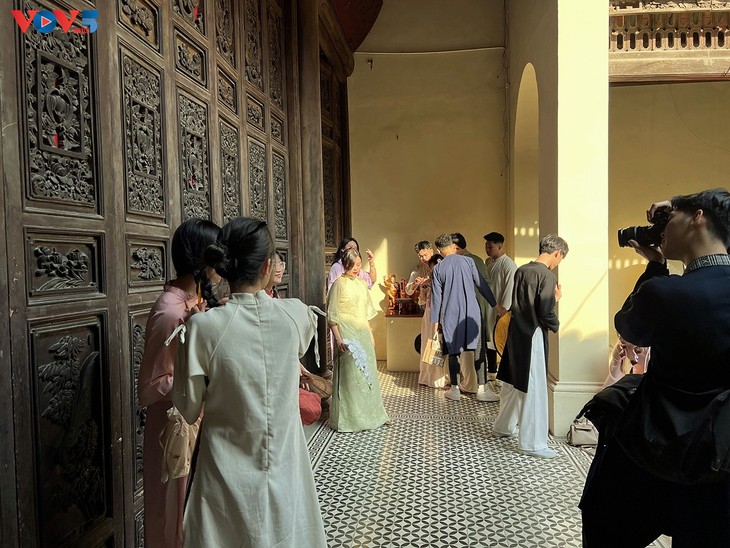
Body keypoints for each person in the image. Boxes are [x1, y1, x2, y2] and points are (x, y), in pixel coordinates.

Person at [581, 189, 730, 547]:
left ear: (698, 218)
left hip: (652, 447)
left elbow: (631, 327)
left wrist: (655, 265)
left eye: (670, 218)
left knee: (606, 530)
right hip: (720, 456)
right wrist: (677, 207)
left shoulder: (666, 292)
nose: (662, 229)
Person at [172, 217, 327, 547]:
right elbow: (301, 338)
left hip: (224, 476)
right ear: (268, 267)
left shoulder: (203, 328)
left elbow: (187, 408)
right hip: (286, 466)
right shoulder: (295, 315)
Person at [137, 218, 220, 548]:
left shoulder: (195, 303)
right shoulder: (170, 312)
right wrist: (199, 382)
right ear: (202, 258)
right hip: (172, 431)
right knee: (171, 517)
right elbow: (149, 387)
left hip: (197, 423)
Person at [492, 234, 569, 459]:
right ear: (557, 253)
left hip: (516, 331)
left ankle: (503, 426)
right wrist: (555, 318)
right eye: (560, 258)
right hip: (532, 334)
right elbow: (544, 310)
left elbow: (522, 303)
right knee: (533, 386)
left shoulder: (522, 270)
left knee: (513, 381)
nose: (558, 263)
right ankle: (532, 443)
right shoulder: (547, 275)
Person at [327, 248, 390, 432]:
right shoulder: (338, 284)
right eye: (353, 265)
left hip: (362, 332)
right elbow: (332, 314)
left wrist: (370, 334)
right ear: (345, 264)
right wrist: (338, 338)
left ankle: (372, 416)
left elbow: (365, 313)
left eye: (358, 265)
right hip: (346, 333)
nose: (356, 268)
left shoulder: (362, 284)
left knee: (367, 375)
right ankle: (351, 419)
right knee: (351, 376)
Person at [430, 233, 496, 402]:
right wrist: (495, 304)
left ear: (438, 249)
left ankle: (455, 389)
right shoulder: (468, 262)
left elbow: (436, 298)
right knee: (478, 350)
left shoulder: (438, 269)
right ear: (453, 246)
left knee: (454, 352)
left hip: (450, 315)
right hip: (472, 313)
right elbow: (482, 285)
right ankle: (482, 389)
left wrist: (435, 321)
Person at [453, 233, 500, 402]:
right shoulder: (479, 260)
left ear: (455, 248)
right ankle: (478, 386)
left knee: (472, 350)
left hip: (472, 310)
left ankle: (474, 385)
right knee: (474, 349)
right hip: (475, 310)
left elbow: (482, 286)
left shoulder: (469, 261)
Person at [483, 232, 518, 380]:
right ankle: (491, 371)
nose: (487, 249)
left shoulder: (508, 265)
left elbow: (510, 289)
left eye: (490, 246)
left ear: (500, 246)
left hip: (500, 309)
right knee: (488, 339)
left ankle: (505, 375)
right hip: (488, 307)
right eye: (486, 246)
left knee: (500, 340)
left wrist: (503, 311)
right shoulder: (488, 262)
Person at [418, 253, 449, 388]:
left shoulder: (446, 282)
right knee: (428, 344)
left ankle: (440, 378)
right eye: (431, 269)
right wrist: (423, 288)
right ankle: (428, 376)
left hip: (440, 317)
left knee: (439, 345)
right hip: (429, 316)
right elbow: (422, 301)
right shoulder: (428, 282)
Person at [405, 241, 434, 309]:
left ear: (431, 251)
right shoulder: (419, 270)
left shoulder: (441, 264)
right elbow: (408, 291)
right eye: (420, 256)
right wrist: (415, 284)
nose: (423, 258)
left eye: (425, 255)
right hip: (426, 305)